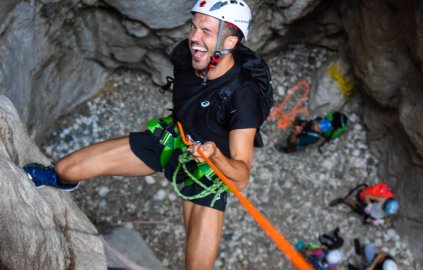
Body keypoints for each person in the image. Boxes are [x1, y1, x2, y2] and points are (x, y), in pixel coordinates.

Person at [22, 1, 269, 269]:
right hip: (171, 141)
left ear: (230, 42)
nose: (194, 38)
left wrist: (215, 155)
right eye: (194, 27)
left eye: (206, 32)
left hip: (206, 170)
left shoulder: (243, 96)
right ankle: (58, 179)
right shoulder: (186, 56)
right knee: (65, 169)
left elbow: (242, 177)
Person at [329, 183, 399, 226]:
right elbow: (367, 196)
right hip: (371, 208)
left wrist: (382, 221)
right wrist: (369, 205)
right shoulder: (382, 199)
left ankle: (369, 217)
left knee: (369, 217)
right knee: (357, 207)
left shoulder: (391, 210)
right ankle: (343, 200)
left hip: (375, 214)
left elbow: (390, 217)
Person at [277, 112, 348, 153]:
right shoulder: (318, 120)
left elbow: (294, 140)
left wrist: (296, 132)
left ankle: (288, 149)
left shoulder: (312, 138)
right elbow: (311, 122)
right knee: (300, 123)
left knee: (291, 141)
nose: (316, 125)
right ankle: (295, 125)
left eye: (318, 128)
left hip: (299, 140)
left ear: (320, 131)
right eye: (318, 124)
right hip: (305, 130)